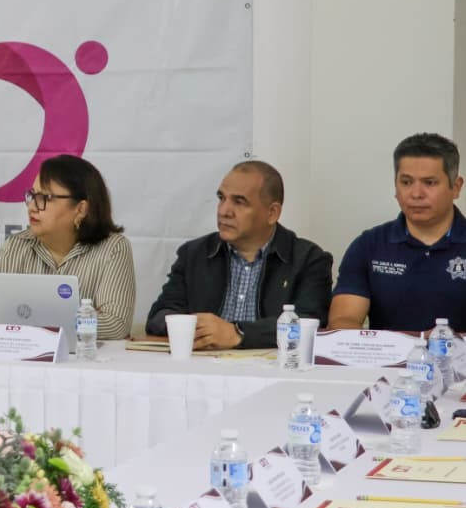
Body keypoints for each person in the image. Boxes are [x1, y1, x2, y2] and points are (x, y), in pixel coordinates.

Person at [146, 160, 332, 350]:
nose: (223, 211)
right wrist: (193, 327)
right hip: (203, 362)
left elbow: (310, 323)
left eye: (239, 202)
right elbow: (159, 315)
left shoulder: (308, 259)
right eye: (221, 198)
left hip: (271, 365)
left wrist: (239, 333)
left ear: (272, 213)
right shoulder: (194, 254)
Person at [330, 132, 466, 332]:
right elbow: (343, 321)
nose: (416, 194)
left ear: (455, 187)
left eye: (429, 182)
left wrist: (446, 343)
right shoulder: (369, 245)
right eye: (406, 182)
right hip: (386, 353)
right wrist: (412, 343)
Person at [0, 155, 135, 339]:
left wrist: (31, 319)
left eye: (45, 198)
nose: (32, 207)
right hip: (24, 354)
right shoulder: (15, 246)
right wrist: (78, 320)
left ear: (81, 209)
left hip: (85, 357)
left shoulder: (113, 249)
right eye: (32, 196)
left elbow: (115, 324)